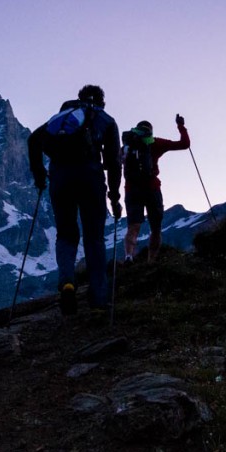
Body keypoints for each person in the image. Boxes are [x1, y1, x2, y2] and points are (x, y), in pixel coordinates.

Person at [28, 85, 121, 315]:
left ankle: (68, 281)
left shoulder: (61, 118)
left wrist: (40, 177)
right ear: (102, 101)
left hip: (60, 178)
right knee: (94, 237)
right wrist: (115, 196)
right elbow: (114, 162)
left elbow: (33, 141)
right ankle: (98, 298)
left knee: (66, 234)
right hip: (90, 177)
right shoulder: (106, 119)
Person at [121, 115, 190, 263]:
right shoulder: (156, 143)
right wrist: (180, 126)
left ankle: (128, 256)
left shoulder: (127, 147)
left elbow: (113, 163)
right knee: (156, 228)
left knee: (133, 227)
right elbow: (185, 144)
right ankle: (151, 261)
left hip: (131, 190)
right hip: (152, 188)